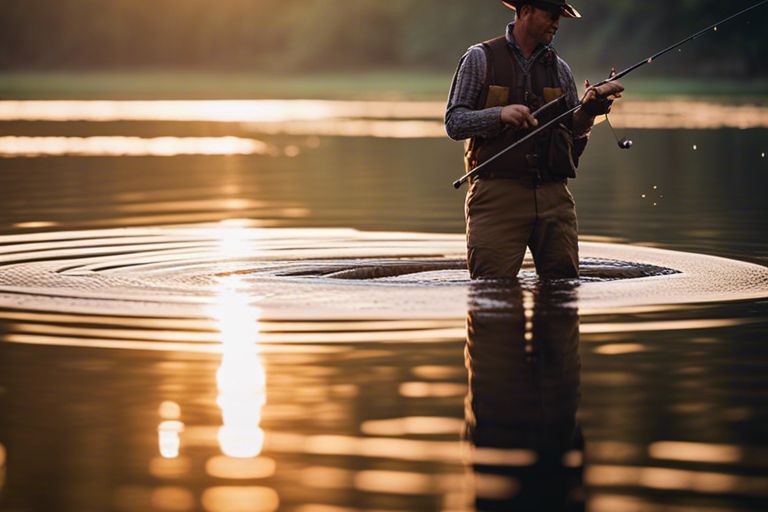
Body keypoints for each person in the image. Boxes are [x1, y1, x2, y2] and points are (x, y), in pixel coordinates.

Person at [445, 0, 624, 279]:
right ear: (525, 10)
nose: (557, 23)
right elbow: (454, 123)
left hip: (555, 196)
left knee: (564, 292)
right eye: (552, 14)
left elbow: (574, 133)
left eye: (561, 17)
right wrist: (500, 114)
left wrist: (590, 110)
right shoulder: (480, 58)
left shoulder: (561, 70)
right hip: (496, 194)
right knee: (492, 299)